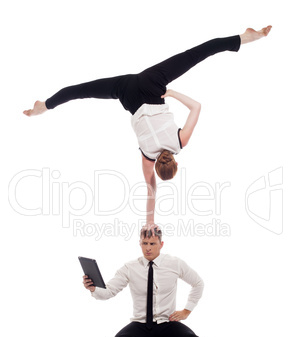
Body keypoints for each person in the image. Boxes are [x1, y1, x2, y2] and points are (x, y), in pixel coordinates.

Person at [24, 26, 272, 224]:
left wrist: (172, 93)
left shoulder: (180, 141)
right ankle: (43, 106)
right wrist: (149, 222)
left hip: (153, 85)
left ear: (175, 162)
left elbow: (197, 107)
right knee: (81, 91)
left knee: (196, 54)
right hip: (129, 93)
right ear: (161, 165)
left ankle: (245, 37)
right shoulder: (148, 158)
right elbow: (151, 188)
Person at [69, 225, 243, 337]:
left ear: (161, 244)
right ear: (140, 244)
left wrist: (186, 310)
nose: (148, 248)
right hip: (140, 324)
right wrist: (92, 288)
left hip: (167, 323)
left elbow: (198, 283)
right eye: (145, 243)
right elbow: (108, 292)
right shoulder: (130, 267)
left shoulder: (175, 263)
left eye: (152, 243)